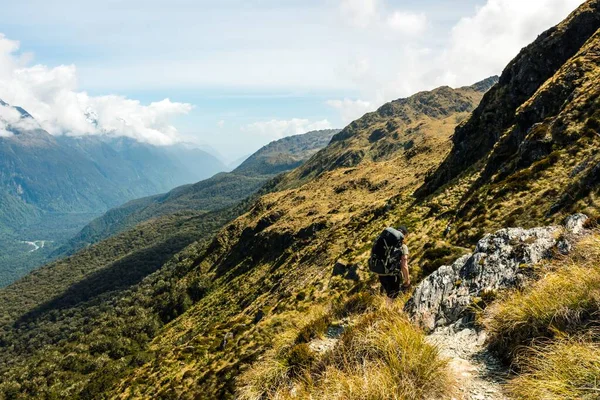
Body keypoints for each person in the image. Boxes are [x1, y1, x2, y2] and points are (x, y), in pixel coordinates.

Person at [378, 226, 410, 298]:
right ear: (404, 235)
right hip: (392, 275)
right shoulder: (403, 246)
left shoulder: (386, 244)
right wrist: (407, 280)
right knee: (393, 296)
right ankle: (388, 309)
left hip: (381, 273)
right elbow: (404, 264)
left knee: (388, 294)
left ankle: (384, 307)